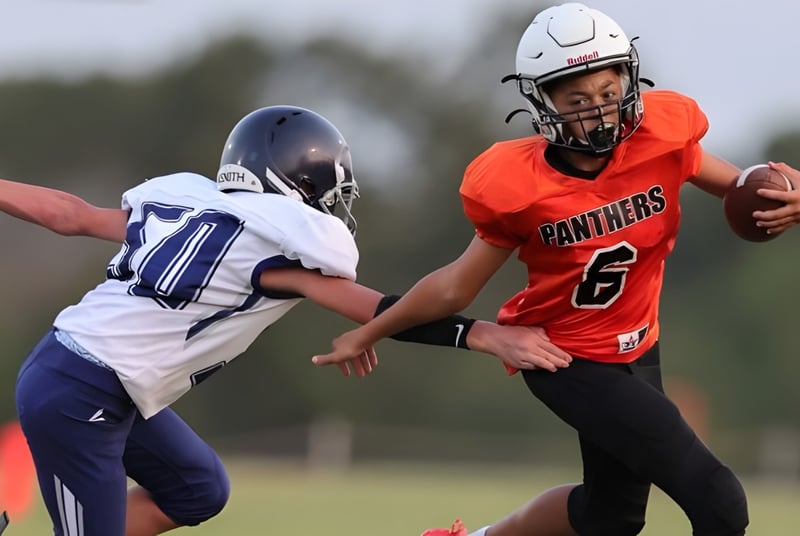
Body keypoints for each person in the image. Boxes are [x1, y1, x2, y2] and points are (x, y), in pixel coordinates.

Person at [312, 3, 800, 536]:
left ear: (628, 84)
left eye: (608, 95)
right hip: (564, 357)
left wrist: (786, 196)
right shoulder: (520, 186)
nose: (599, 112)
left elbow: (739, 187)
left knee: (609, 518)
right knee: (719, 500)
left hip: (639, 346)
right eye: (578, 100)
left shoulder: (663, 137)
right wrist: (370, 331)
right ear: (543, 101)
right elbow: (454, 287)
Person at [0, 105, 572, 536]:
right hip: (81, 395)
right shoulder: (270, 252)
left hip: (85, 372)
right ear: (292, 183)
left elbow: (69, 216)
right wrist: (484, 335)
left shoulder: (188, 208)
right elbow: (380, 307)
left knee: (197, 489)